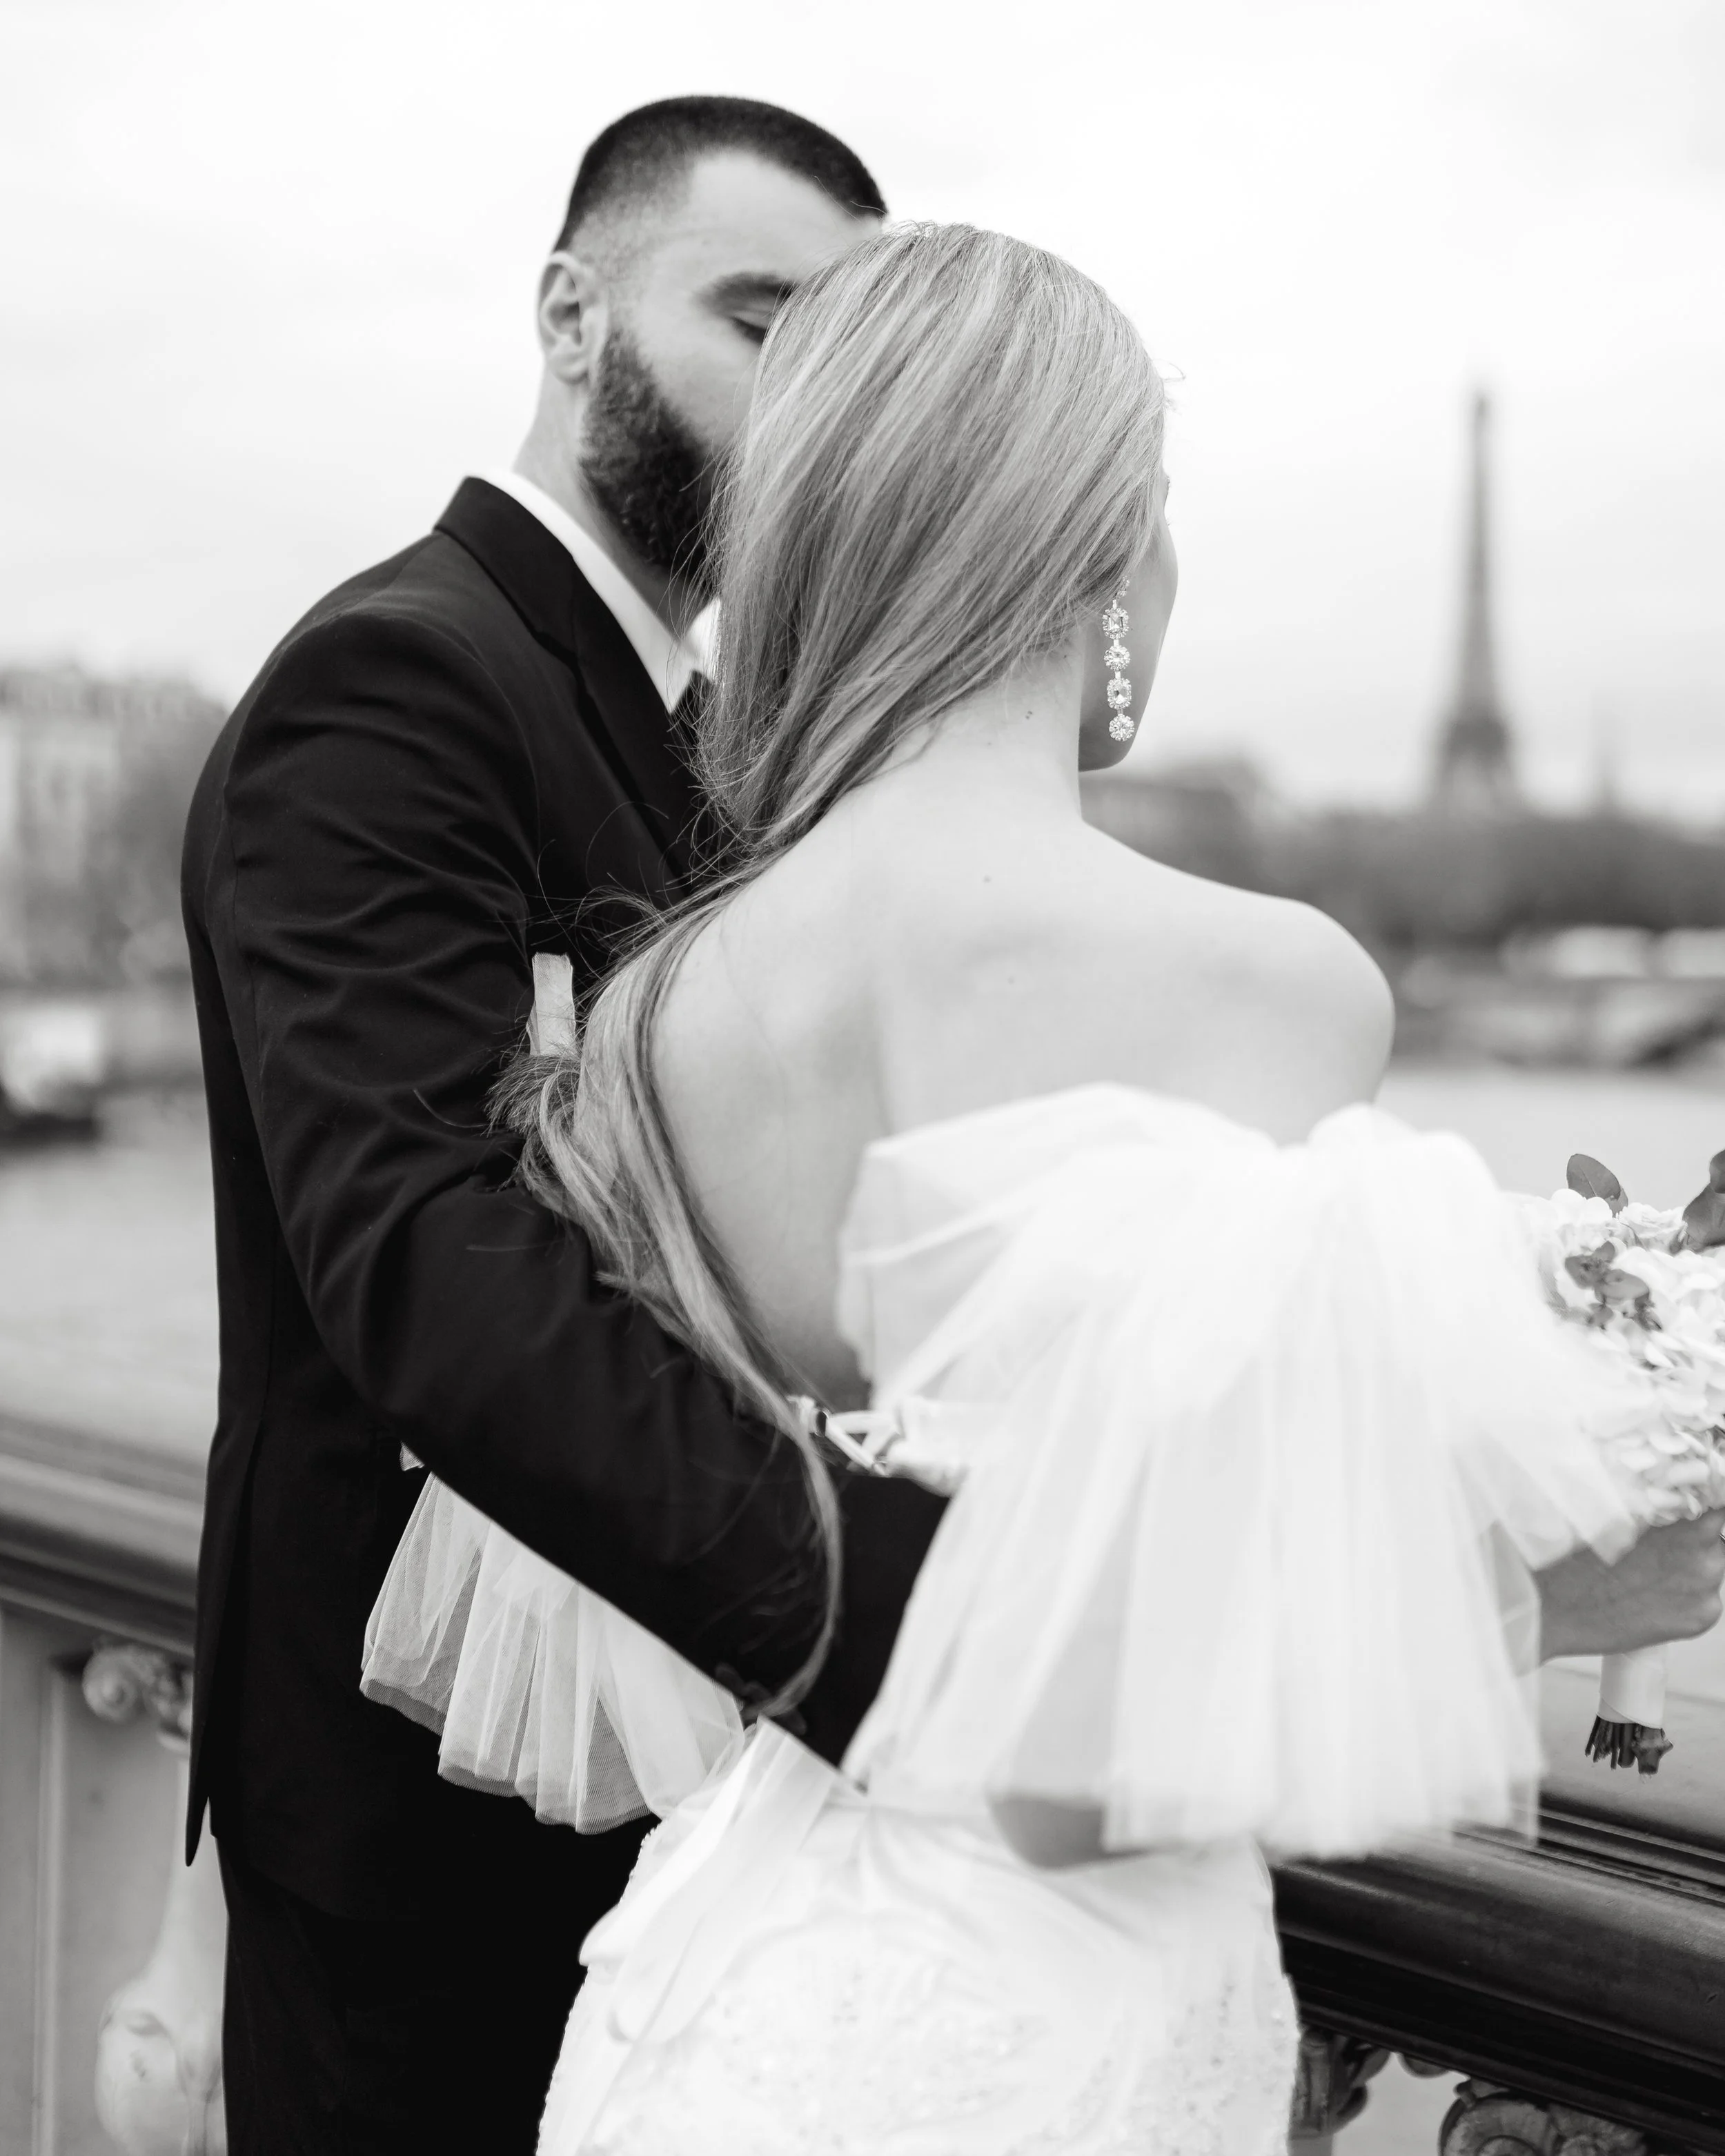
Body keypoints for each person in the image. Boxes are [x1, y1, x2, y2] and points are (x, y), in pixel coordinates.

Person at [364, 222, 1725, 2154]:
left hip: (707, 1987)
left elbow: (773, 1554)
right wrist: (1569, 1555)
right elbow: (1099, 1731)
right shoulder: (1267, 983)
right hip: (1035, 2032)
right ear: (1093, 552)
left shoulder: (664, 1015)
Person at [180, 98, 949, 2155]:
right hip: (417, 1817)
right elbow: (432, 1258)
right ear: (570, 314)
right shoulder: (398, 682)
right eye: (757, 322)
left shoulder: (702, 742)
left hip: (652, 1791)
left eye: (838, 359)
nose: (801, 410)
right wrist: (885, 1606)